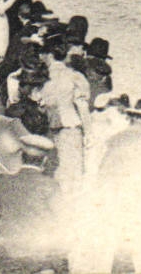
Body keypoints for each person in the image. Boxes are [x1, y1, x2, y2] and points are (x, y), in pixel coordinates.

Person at [37, 43, 93, 193]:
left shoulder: (41, 76)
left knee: (51, 171)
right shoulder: (74, 76)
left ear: (49, 55)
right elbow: (82, 106)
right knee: (73, 173)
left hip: (48, 128)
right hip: (70, 126)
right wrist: (88, 132)